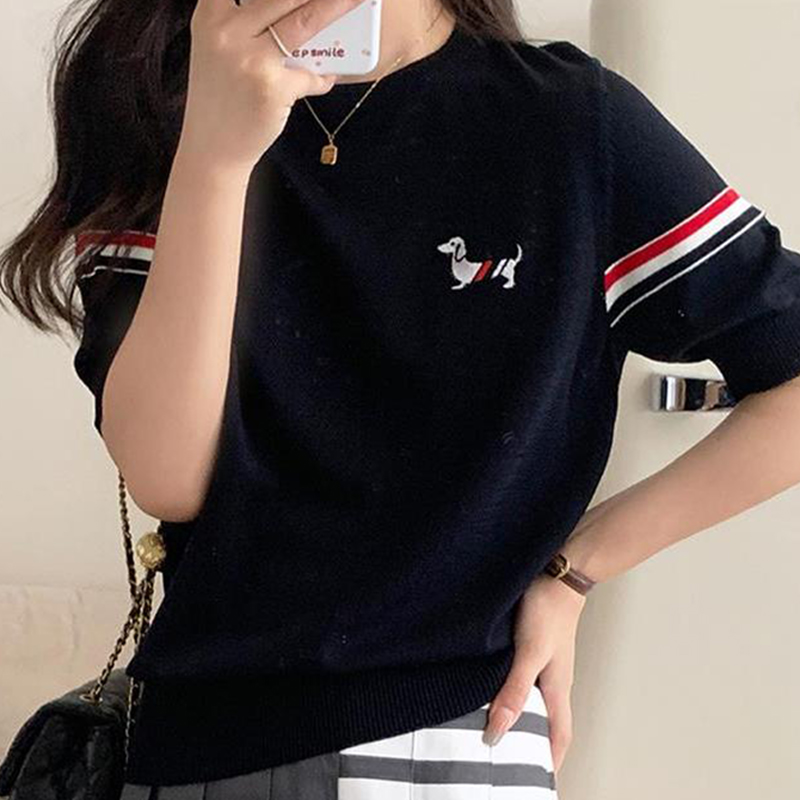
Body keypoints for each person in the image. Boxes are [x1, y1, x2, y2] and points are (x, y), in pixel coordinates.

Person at [2, 0, 800, 797]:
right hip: (198, 746)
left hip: (457, 731)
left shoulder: (565, 120)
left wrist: (577, 567)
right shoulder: (155, 95)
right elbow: (169, 475)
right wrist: (214, 154)